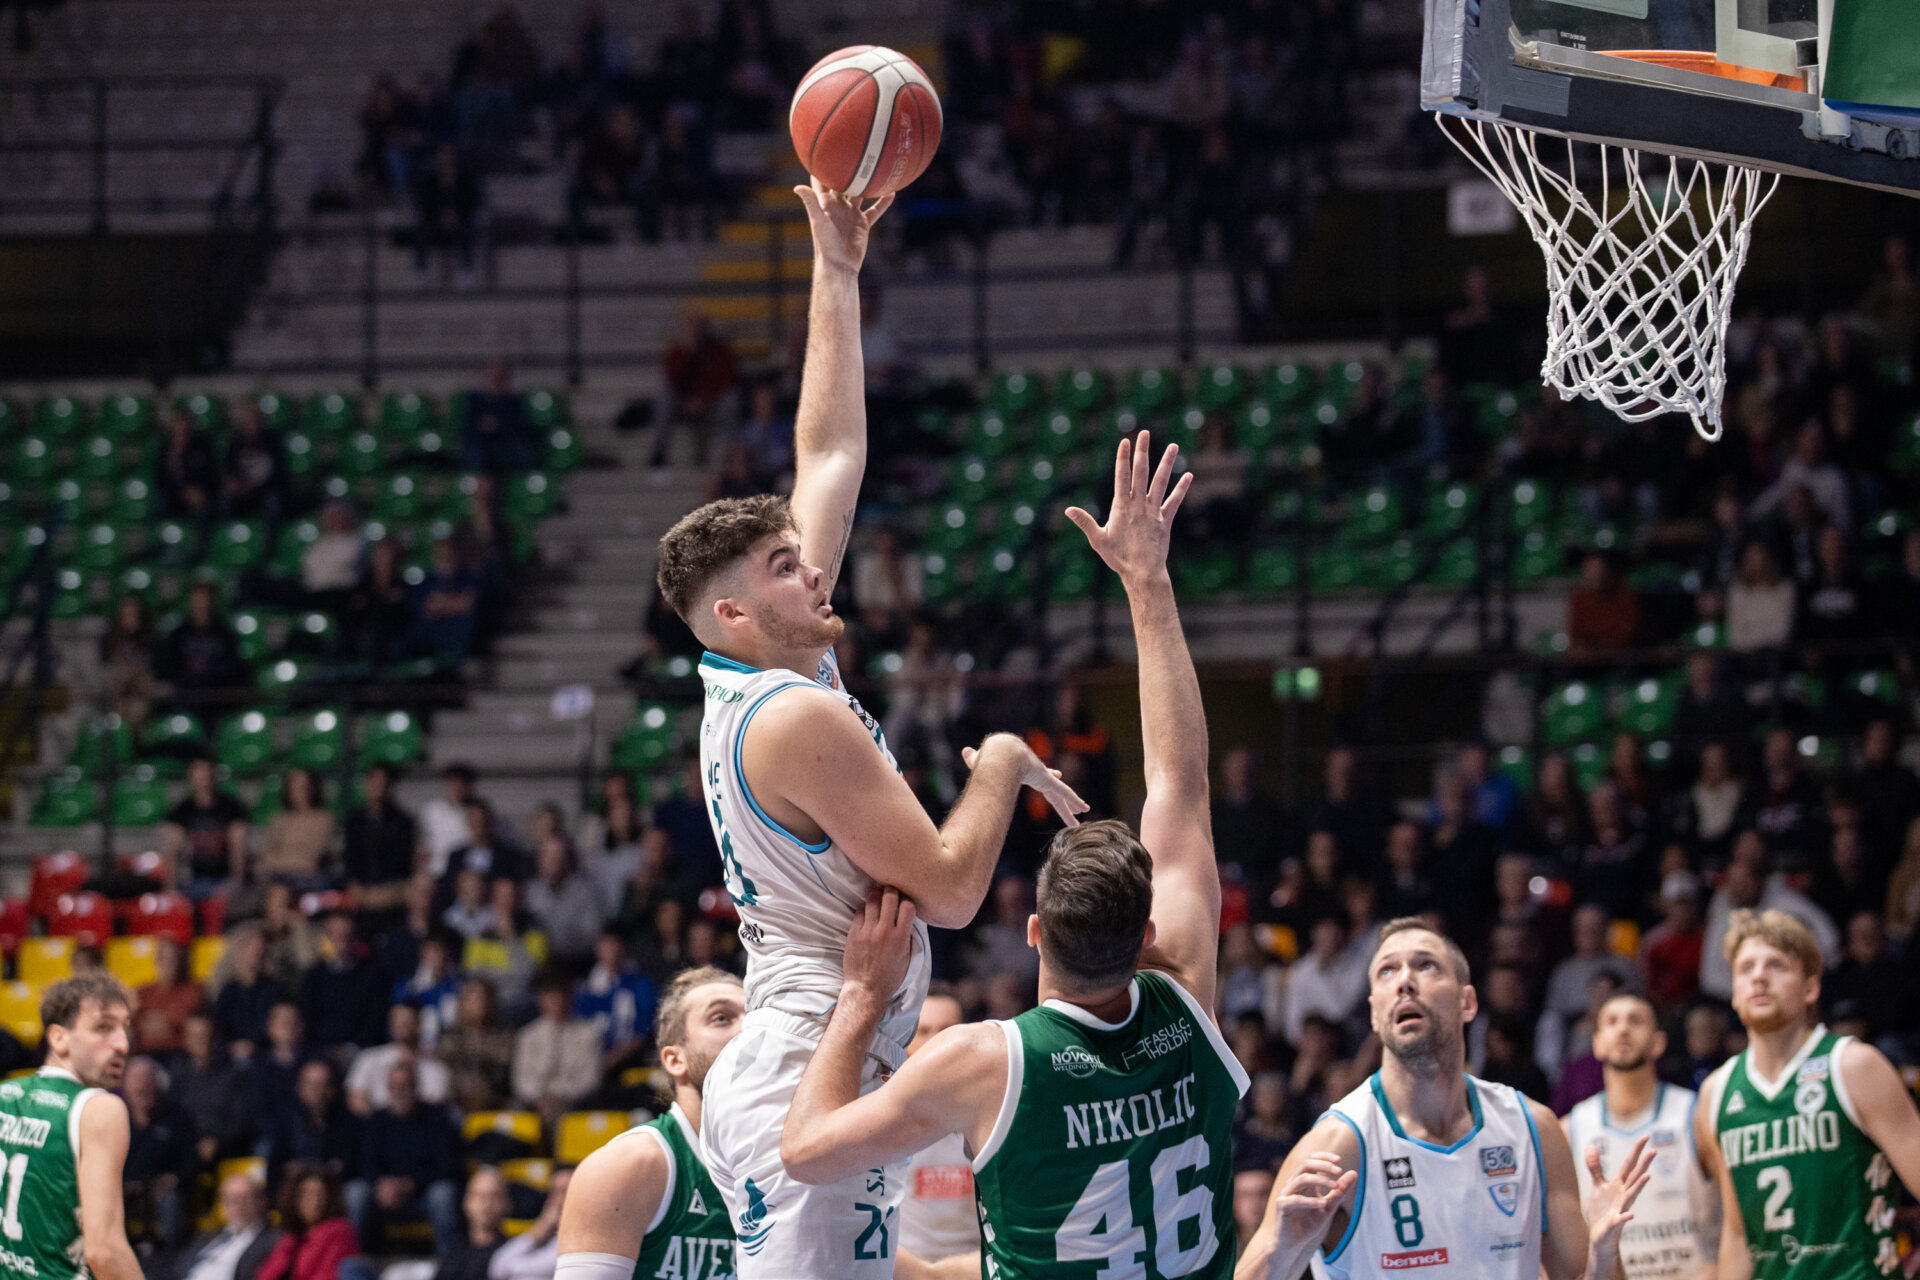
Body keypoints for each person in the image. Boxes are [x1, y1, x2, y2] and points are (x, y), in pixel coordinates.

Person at [656, 178, 1083, 1279]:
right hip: (811, 1056)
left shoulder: (772, 661)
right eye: (786, 568)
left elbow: (832, 450)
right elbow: (947, 886)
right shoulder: (794, 713)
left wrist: (837, 269)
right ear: (738, 613)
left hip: (832, 1045)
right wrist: (998, 764)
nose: (815, 566)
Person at [781, 434, 1247, 1277]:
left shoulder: (986, 1061)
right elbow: (1179, 780)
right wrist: (1149, 583)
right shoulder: (1187, 999)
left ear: (1033, 932)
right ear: (1147, 935)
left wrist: (860, 995)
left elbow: (806, 1151)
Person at [1238, 918, 1656, 1280]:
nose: (1404, 980)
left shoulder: (1533, 1127)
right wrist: (1279, 1247)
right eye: (1387, 971)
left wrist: (1605, 1253)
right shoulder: (1338, 1144)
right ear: (1373, 1014)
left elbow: (1581, 1275)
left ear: (1467, 1002)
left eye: (1426, 965)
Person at [1694, 909, 1920, 1279]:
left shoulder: (1853, 1066)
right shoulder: (1715, 1094)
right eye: (1746, 968)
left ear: (1811, 988)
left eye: (1776, 966)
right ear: (1734, 992)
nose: (1759, 977)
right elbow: (1738, 1233)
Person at [556, 968, 744, 1280]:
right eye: (721, 1018)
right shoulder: (628, 1166)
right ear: (675, 1059)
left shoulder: (791, 1163)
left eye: (756, 1018)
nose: (748, 1029)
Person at [1563, 994, 1718, 1279]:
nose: (1623, 1029)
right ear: (1596, 1044)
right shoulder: (1569, 1129)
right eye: (1612, 1021)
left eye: (1635, 1021)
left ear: (1659, 1042)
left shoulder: (1696, 1114)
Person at [1, 973, 141, 1280]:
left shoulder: (5, 1094)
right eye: (103, 1028)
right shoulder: (99, 1108)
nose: (121, 1044)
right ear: (59, 1038)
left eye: (125, 1029)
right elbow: (104, 1252)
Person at [348, 1062, 462, 1255]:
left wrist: (409, 1184)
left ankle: (447, 1264)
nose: (399, 1091)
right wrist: (381, 1184)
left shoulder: (436, 1118)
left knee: (443, 1194)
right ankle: (352, 1261)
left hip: (422, 1195)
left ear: (416, 1087)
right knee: (355, 1192)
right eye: (394, 1086)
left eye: (405, 1086)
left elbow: (447, 1166)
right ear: (388, 1088)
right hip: (384, 1194)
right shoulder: (378, 1120)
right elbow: (366, 1162)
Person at [896, 985, 973, 1263]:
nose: (936, 1043)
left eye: (947, 1030)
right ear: (904, 1039)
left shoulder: (994, 1109)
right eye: (924, 1031)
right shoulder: (878, 1115)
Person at [510, 972, 603, 1122]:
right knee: (513, 1113)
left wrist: (556, 1095)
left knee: (558, 1112)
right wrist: (539, 1097)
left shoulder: (589, 1034)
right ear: (541, 1000)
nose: (557, 1001)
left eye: (562, 996)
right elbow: (520, 1081)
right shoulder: (528, 1035)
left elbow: (590, 1082)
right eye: (551, 996)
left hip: (572, 1102)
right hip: (533, 1101)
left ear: (570, 998)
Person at [163, 755, 250, 899]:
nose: (203, 778)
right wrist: (170, 890)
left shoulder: (231, 807)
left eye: (206, 773)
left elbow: (238, 848)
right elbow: (172, 850)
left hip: (223, 880)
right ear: (190, 777)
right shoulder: (182, 810)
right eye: (198, 773)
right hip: (194, 881)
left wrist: (235, 883)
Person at [344, 1003, 451, 1116]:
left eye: (408, 1020)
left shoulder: (436, 1069)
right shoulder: (368, 1058)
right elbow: (356, 1099)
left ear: (419, 1023)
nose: (402, 1025)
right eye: (397, 1020)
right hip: (378, 1127)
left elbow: (436, 1105)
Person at [255, 1164, 358, 1280]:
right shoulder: (290, 1238)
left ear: (330, 1197)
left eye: (320, 1194)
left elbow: (328, 1276)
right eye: (307, 1194)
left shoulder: (340, 1232)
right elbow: (266, 1275)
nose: (314, 1201)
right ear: (294, 1197)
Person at [173, 1172, 282, 1280]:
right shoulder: (207, 1237)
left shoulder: (273, 1240)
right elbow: (179, 1270)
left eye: (243, 1198)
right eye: (230, 1199)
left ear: (261, 1201)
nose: (237, 1205)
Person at [341, 764, 417, 913]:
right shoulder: (354, 821)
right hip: (363, 885)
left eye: (383, 783)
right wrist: (354, 881)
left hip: (392, 883)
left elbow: (402, 859)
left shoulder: (402, 821)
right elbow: (351, 856)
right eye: (375, 782)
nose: (378, 788)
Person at [487, 1167, 572, 1280]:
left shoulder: (581, 1236)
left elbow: (549, 1266)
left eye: (565, 1191)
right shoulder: (544, 1232)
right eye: (553, 1192)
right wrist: (541, 1227)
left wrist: (509, 1268)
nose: (559, 1200)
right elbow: (496, 1267)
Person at [436, 1167, 510, 1280]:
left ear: (507, 1204)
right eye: (479, 1195)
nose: (486, 1203)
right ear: (466, 1202)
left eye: (494, 1196)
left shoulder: (511, 1254)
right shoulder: (454, 1252)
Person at [136, 936, 204, 1055]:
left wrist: (154, 1021)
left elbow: (181, 1019)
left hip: (178, 1053)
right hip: (145, 1053)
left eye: (173, 959)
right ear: (157, 961)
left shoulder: (193, 989)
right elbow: (134, 1021)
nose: (169, 964)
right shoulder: (144, 991)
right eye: (164, 959)